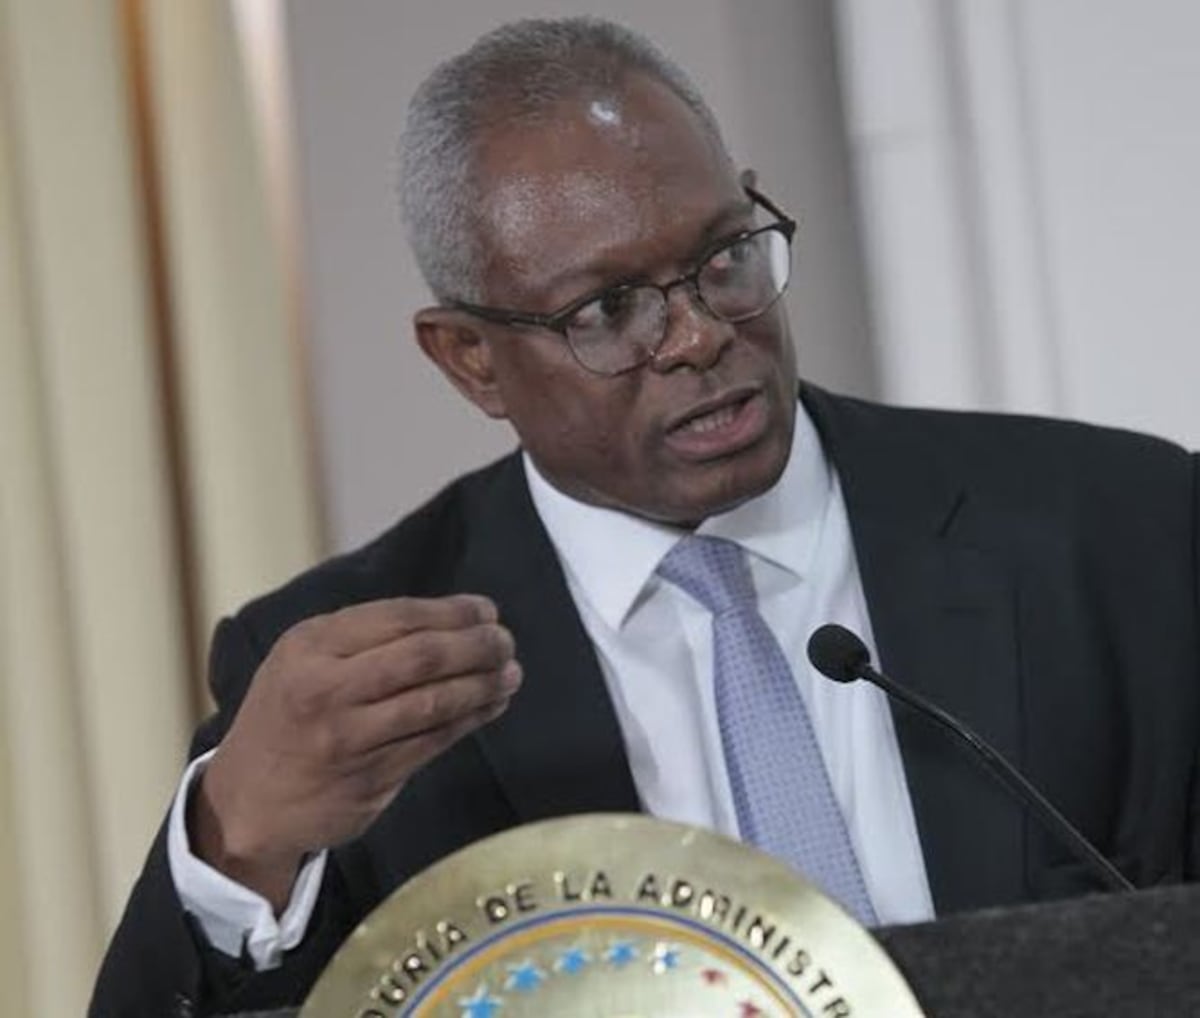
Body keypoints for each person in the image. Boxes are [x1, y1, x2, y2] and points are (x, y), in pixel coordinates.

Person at [91, 16, 1200, 1017]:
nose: (700, 335)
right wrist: (239, 848)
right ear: (470, 358)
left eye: (724, 258)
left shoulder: (1122, 531)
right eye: (609, 309)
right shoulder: (358, 678)